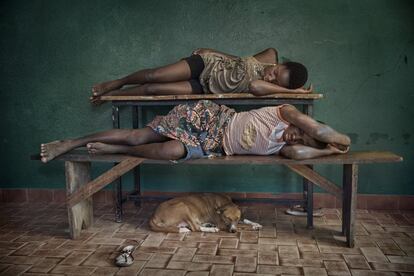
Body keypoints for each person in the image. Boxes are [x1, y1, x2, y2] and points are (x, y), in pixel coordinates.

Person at [40, 100, 350, 163]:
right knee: (138, 136)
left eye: (303, 138)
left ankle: (115, 151)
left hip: (213, 146)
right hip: (207, 119)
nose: (296, 136)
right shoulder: (286, 112)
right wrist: (336, 140)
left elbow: (297, 153)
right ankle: (72, 142)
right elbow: (324, 132)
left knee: (171, 151)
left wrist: (322, 150)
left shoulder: (283, 148)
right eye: (301, 131)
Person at [90, 48, 312, 104]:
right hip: (206, 65)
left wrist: (291, 91)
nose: (271, 77)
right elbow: (238, 60)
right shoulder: (269, 54)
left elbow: (255, 86)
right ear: (281, 63)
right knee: (154, 75)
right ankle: (116, 84)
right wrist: (212, 51)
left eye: (276, 81)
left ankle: (114, 97)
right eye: (276, 72)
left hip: (204, 87)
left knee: (154, 90)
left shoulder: (264, 85)